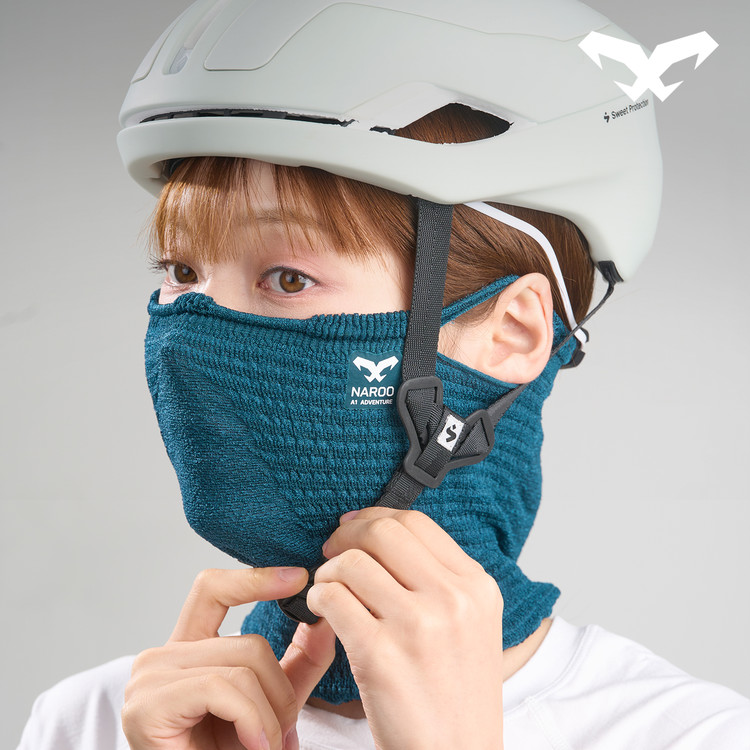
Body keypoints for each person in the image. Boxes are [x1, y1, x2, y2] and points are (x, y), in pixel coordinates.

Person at [17, 1, 750, 749]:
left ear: (511, 332)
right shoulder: (95, 724)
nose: (194, 336)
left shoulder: (693, 736)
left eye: (288, 278)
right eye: (181, 272)